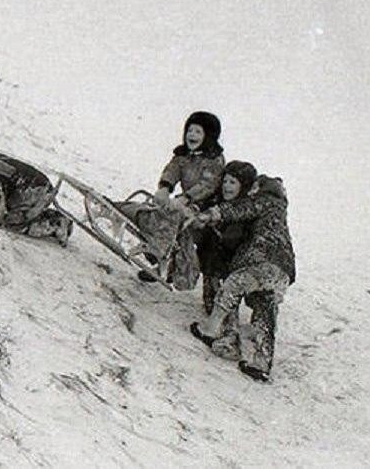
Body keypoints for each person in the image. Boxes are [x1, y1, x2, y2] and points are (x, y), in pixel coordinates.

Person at [188, 173, 297, 383]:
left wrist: (210, 214)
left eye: (255, 188)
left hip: (264, 260)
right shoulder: (278, 214)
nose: (251, 192)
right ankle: (261, 362)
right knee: (265, 306)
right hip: (283, 270)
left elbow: (241, 208)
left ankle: (209, 330)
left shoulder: (267, 201)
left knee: (233, 284)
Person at [116, 110, 225, 282]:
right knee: (160, 210)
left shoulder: (214, 161)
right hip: (184, 202)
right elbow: (172, 170)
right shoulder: (183, 155)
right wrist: (165, 187)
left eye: (198, 132)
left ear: (208, 136)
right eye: (190, 130)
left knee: (175, 219)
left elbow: (207, 185)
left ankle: (162, 257)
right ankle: (126, 211)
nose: (192, 135)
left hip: (204, 208)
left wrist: (187, 197)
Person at [191, 160, 260, 361]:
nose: (227, 186)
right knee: (210, 304)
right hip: (212, 263)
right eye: (226, 181)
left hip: (231, 266)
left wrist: (217, 229)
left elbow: (237, 238)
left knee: (226, 301)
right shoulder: (219, 202)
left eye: (233, 183)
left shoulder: (244, 210)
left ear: (244, 186)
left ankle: (231, 339)